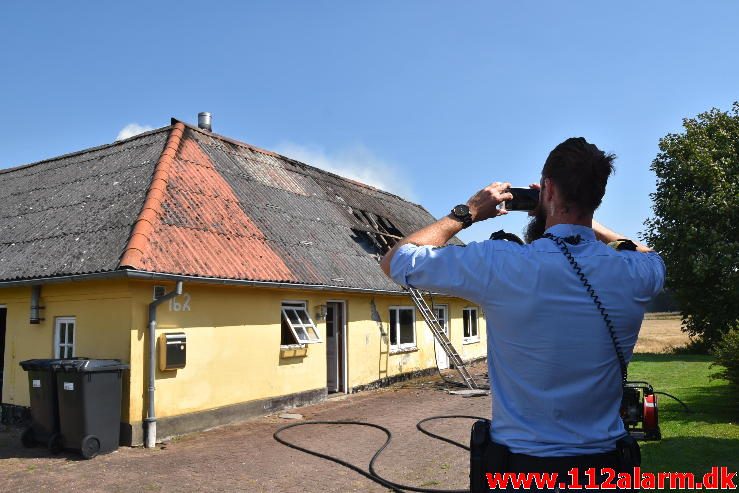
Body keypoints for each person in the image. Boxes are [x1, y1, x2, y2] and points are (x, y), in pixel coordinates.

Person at [380, 137, 666, 489]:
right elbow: (649, 253)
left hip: (521, 473)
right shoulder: (635, 273)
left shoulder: (502, 263)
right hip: (605, 470)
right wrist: (588, 222)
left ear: (547, 188)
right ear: (598, 196)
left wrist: (466, 212)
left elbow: (396, 261)